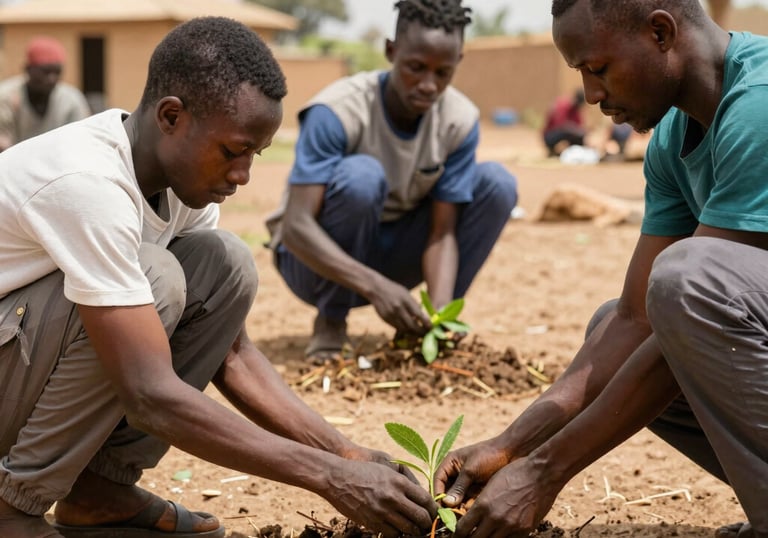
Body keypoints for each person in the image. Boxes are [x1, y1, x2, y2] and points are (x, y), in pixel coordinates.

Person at [0, 17, 438, 538]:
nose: (243, 175)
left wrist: (348, 454)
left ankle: (100, 492)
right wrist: (330, 477)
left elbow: (233, 355)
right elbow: (149, 394)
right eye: (234, 151)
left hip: (22, 363)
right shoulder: (88, 184)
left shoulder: (181, 183)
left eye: (255, 154)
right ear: (171, 117)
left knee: (223, 262)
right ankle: (14, 506)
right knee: (157, 279)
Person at [433, 1, 768, 537]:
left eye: (598, 68)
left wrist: (544, 472)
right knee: (615, 325)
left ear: (661, 32)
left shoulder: (759, 106)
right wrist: (509, 446)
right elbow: (638, 321)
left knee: (688, 279)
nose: (591, 95)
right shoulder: (672, 137)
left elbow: (692, 299)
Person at [265, 0, 518, 362]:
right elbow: (296, 227)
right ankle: (331, 321)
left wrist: (439, 313)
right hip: (312, 264)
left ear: (458, 62)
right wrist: (375, 286)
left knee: (497, 184)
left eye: (443, 73)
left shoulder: (458, 120)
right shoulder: (338, 110)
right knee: (361, 177)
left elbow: (442, 234)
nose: (429, 85)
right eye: (416, 68)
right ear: (390, 51)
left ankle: (427, 325)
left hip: (392, 254)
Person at [0, 36, 91, 151]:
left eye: (57, 72)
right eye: (45, 72)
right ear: (27, 69)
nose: (51, 78)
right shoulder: (6, 97)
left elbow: (81, 142)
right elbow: (3, 146)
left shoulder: (71, 101)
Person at [542, 88, 586, 157]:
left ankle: (575, 152)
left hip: (563, 132)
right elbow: (560, 125)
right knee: (572, 132)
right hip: (550, 135)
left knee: (579, 134)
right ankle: (552, 149)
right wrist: (576, 130)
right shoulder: (563, 105)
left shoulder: (575, 109)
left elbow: (579, 126)